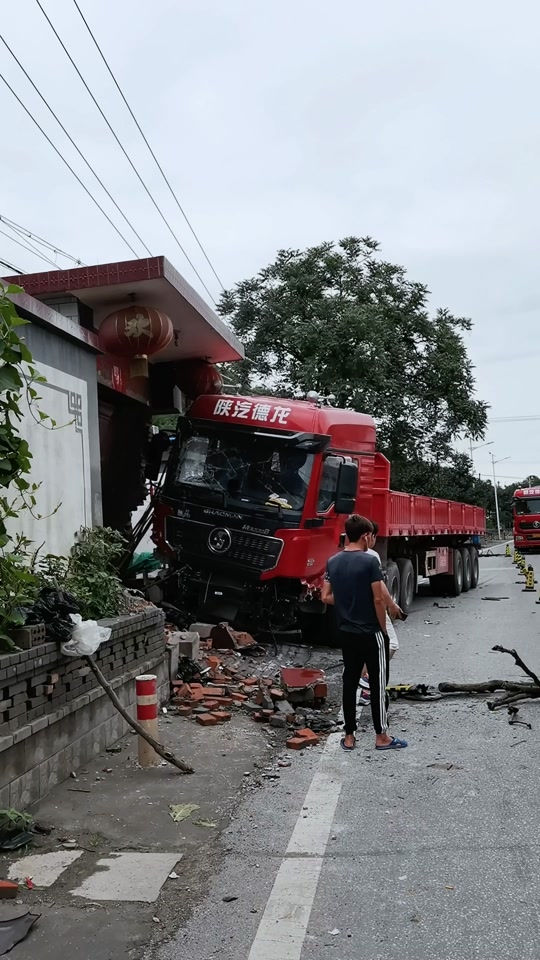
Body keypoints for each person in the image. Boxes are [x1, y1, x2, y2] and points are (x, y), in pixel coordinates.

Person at [322, 514, 408, 752]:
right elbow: (379, 599)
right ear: (365, 536)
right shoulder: (370, 562)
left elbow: (325, 596)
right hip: (371, 631)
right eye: (371, 536)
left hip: (346, 631)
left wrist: (348, 600)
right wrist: (383, 629)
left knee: (349, 682)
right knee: (378, 683)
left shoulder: (333, 561)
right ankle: (382, 736)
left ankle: (349, 736)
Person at [359, 521, 401, 707]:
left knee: (362, 649)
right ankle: (364, 681)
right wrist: (390, 606)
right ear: (369, 536)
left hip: (351, 610)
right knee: (390, 644)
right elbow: (379, 588)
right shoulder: (371, 556)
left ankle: (362, 687)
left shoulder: (340, 556)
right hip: (373, 608)